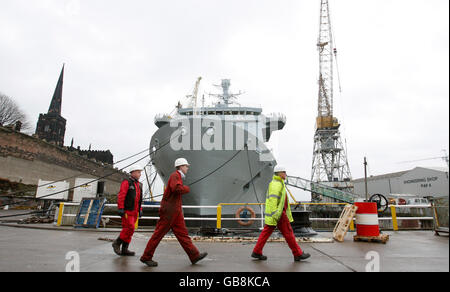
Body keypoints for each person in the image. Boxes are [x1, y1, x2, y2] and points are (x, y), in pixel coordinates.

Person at [140, 158, 208, 267]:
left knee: (183, 234)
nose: (187, 168)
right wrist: (186, 189)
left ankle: (194, 255)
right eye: (186, 166)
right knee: (159, 234)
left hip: (174, 210)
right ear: (181, 166)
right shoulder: (175, 176)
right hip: (170, 211)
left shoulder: (177, 176)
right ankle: (146, 257)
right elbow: (176, 188)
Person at [251, 165, 311, 262]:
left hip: (276, 214)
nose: (285, 174)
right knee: (289, 233)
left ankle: (257, 251)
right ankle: (298, 254)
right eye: (284, 172)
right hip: (278, 214)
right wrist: (276, 214)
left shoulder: (277, 183)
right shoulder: (277, 184)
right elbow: (273, 200)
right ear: (279, 173)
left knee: (266, 232)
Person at [112, 165, 144, 256]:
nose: (140, 174)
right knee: (129, 228)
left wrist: (140, 209)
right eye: (138, 172)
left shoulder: (138, 185)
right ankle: (117, 243)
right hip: (127, 211)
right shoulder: (127, 182)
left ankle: (124, 249)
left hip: (134, 211)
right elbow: (121, 195)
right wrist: (121, 208)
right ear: (133, 173)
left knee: (131, 230)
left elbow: (139, 199)